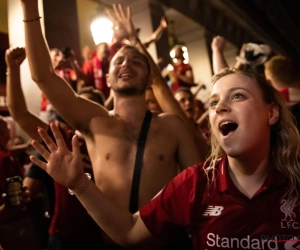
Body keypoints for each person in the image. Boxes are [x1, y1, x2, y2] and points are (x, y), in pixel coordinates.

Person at [30, 68, 300, 249]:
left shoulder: (295, 183)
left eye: (238, 96)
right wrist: (78, 183)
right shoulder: (196, 183)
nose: (220, 108)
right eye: (214, 103)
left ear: (272, 113)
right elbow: (128, 231)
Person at [20, 1, 202, 248]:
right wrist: (30, 9)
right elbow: (43, 76)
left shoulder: (172, 125)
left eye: (136, 62)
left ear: (150, 79)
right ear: (107, 77)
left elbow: (198, 191)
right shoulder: (94, 120)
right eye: (119, 61)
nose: (126, 64)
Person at [5, 46, 104, 249]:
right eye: (82, 108)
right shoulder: (62, 138)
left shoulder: (111, 144)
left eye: (94, 109)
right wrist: (13, 70)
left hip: (104, 237)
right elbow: (19, 113)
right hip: (62, 239)